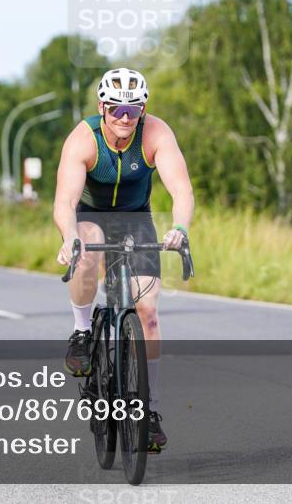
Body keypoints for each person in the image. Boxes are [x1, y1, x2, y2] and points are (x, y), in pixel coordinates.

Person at [54, 68, 194, 453]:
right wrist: (70, 237)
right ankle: (82, 331)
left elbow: (181, 189)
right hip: (89, 217)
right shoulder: (84, 139)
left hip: (136, 219)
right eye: (116, 109)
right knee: (87, 246)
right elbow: (65, 200)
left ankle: (149, 409)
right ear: (102, 107)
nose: (125, 117)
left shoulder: (156, 133)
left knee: (148, 313)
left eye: (133, 109)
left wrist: (180, 228)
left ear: (143, 109)